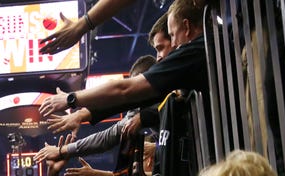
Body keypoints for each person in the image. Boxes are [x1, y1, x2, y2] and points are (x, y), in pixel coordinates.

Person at [39, 0, 206, 135]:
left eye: (172, 35)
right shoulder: (193, 56)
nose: (175, 44)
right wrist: (81, 113)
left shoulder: (193, 53)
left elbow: (125, 90)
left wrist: (71, 99)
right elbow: (129, 98)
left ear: (187, 27)